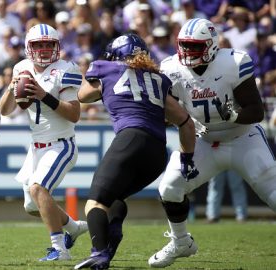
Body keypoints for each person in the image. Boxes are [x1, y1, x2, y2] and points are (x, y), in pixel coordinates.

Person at [148, 18, 276, 268]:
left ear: (211, 46)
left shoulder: (233, 62)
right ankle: (181, 241)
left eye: (194, 46)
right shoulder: (171, 68)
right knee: (169, 189)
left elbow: (257, 111)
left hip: (243, 138)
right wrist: (174, 118)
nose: (187, 52)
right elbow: (168, 111)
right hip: (202, 140)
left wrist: (235, 115)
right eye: (184, 46)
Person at [73, 34, 198, 270]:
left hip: (130, 139)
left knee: (95, 204)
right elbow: (186, 123)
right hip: (157, 153)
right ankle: (113, 230)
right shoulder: (159, 80)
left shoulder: (105, 68)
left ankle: (99, 252)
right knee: (113, 199)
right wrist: (187, 158)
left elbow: (82, 96)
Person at [0, 23, 88, 261]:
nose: (44, 49)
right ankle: (73, 227)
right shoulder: (21, 67)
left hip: (61, 143)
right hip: (36, 147)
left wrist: (44, 96)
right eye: (38, 44)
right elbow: (5, 111)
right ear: (29, 47)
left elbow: (74, 114)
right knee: (31, 205)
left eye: (49, 44)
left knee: (38, 189)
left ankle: (59, 249)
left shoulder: (66, 69)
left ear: (57, 46)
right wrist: (10, 89)